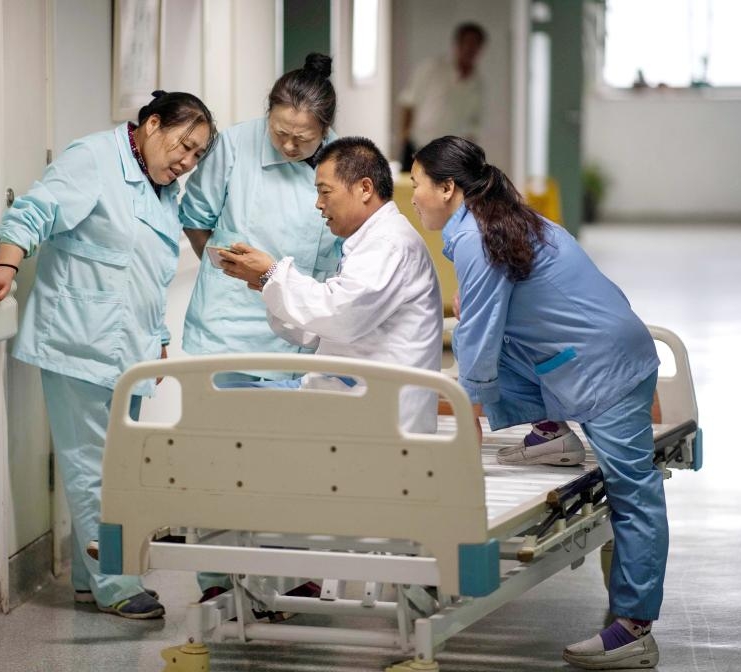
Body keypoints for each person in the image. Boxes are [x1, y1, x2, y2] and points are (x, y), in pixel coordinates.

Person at [410, 136, 666, 670]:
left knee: (633, 493)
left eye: (418, 186)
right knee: (489, 335)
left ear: (448, 188)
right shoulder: (503, 220)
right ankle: (551, 435)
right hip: (593, 347)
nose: (413, 198)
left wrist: (461, 410)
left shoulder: (480, 239)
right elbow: (504, 306)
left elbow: (477, 341)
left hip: (607, 368)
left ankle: (635, 629)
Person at [0, 91, 217, 620]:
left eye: (198, 155)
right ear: (152, 124)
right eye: (184, 145)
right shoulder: (95, 159)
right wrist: (6, 266)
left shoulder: (162, 188)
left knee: (117, 467)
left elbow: (146, 270)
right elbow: (37, 210)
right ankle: (116, 583)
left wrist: (156, 336)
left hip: (128, 350)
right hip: (78, 342)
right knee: (93, 469)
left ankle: (88, 577)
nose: (187, 161)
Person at [218, 136, 443, 434]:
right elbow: (321, 328)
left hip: (370, 410)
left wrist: (272, 274)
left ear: (364, 188)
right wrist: (266, 282)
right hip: (348, 393)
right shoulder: (371, 241)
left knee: (220, 409)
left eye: (325, 192)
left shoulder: (389, 244)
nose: (319, 204)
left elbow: (340, 316)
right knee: (220, 399)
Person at [179, 53, 341, 384]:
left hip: (301, 327)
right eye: (280, 132)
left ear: (325, 131)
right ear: (267, 114)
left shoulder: (343, 160)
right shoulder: (234, 146)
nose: (290, 145)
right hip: (231, 329)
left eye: (304, 139)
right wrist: (227, 273)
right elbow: (196, 220)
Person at [398, 22, 487, 170]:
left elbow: (473, 123)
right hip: (418, 147)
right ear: (457, 44)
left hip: (449, 155)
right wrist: (404, 138)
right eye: (467, 43)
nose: (470, 49)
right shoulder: (431, 69)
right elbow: (408, 102)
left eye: (475, 44)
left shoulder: (477, 84)